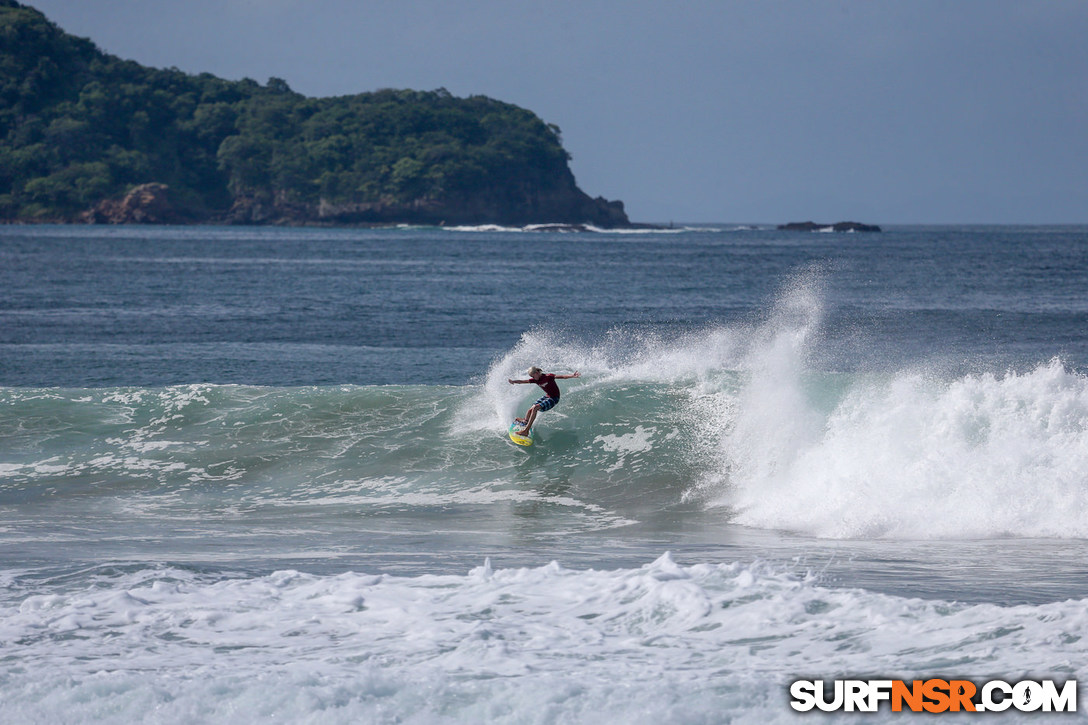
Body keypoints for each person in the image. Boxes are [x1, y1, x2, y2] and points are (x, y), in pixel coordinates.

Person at [508, 366, 580, 435]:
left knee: (535, 408)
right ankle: (525, 421)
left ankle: (526, 431)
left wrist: (572, 376)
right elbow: (523, 381)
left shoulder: (548, 377)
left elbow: (562, 377)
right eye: (531, 377)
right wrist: (514, 381)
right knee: (531, 409)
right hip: (547, 396)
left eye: (533, 376)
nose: (532, 378)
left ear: (536, 373)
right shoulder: (536, 380)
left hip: (554, 398)